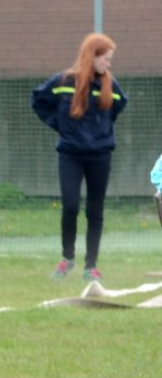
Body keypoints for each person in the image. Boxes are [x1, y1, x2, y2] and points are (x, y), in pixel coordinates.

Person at [31, 33, 127, 282]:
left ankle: (90, 266)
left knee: (95, 211)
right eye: (105, 59)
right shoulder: (63, 81)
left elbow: (117, 107)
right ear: (91, 56)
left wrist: (100, 132)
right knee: (71, 205)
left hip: (100, 156)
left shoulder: (111, 87)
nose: (108, 64)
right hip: (70, 155)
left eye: (110, 59)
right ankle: (67, 259)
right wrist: (62, 126)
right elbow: (39, 101)